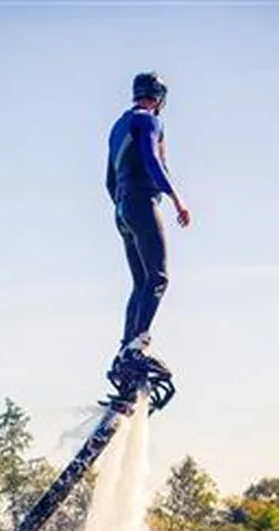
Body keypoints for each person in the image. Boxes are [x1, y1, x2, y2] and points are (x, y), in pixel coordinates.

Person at [105, 71, 191, 382]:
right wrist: (175, 198)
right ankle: (137, 347)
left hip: (122, 208)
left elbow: (109, 181)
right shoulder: (149, 120)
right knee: (158, 277)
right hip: (141, 202)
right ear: (160, 99)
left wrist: (121, 207)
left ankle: (125, 351)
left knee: (140, 282)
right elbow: (153, 160)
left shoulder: (118, 126)